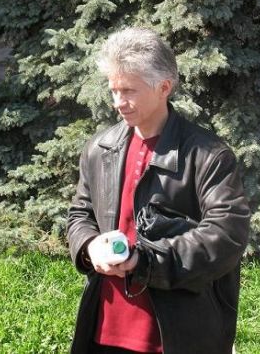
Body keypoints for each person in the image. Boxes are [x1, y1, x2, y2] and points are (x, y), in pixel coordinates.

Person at [67, 27, 250, 354]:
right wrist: (90, 246)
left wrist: (145, 260)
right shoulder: (100, 148)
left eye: (128, 91)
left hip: (177, 333)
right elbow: (80, 214)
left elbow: (226, 236)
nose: (118, 102)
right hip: (105, 326)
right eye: (113, 90)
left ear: (164, 87)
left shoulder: (208, 155)